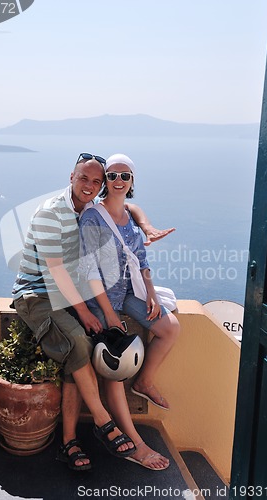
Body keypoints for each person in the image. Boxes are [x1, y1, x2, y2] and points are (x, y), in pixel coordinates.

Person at [11, 152, 174, 471]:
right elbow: (55, 272)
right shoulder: (50, 212)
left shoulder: (89, 208)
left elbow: (127, 207)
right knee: (80, 341)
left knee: (81, 352)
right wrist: (86, 314)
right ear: (71, 176)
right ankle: (103, 422)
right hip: (37, 294)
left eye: (96, 181)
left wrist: (146, 224)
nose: (89, 185)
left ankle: (69, 442)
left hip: (70, 295)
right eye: (83, 178)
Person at [79, 154, 180, 414]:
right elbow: (91, 272)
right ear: (106, 181)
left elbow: (141, 260)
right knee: (116, 358)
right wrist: (110, 315)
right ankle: (124, 434)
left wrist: (152, 294)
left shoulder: (129, 214)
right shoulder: (92, 218)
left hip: (127, 291)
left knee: (170, 328)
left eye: (125, 175)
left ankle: (144, 382)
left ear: (132, 180)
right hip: (99, 298)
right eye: (112, 175)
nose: (119, 180)